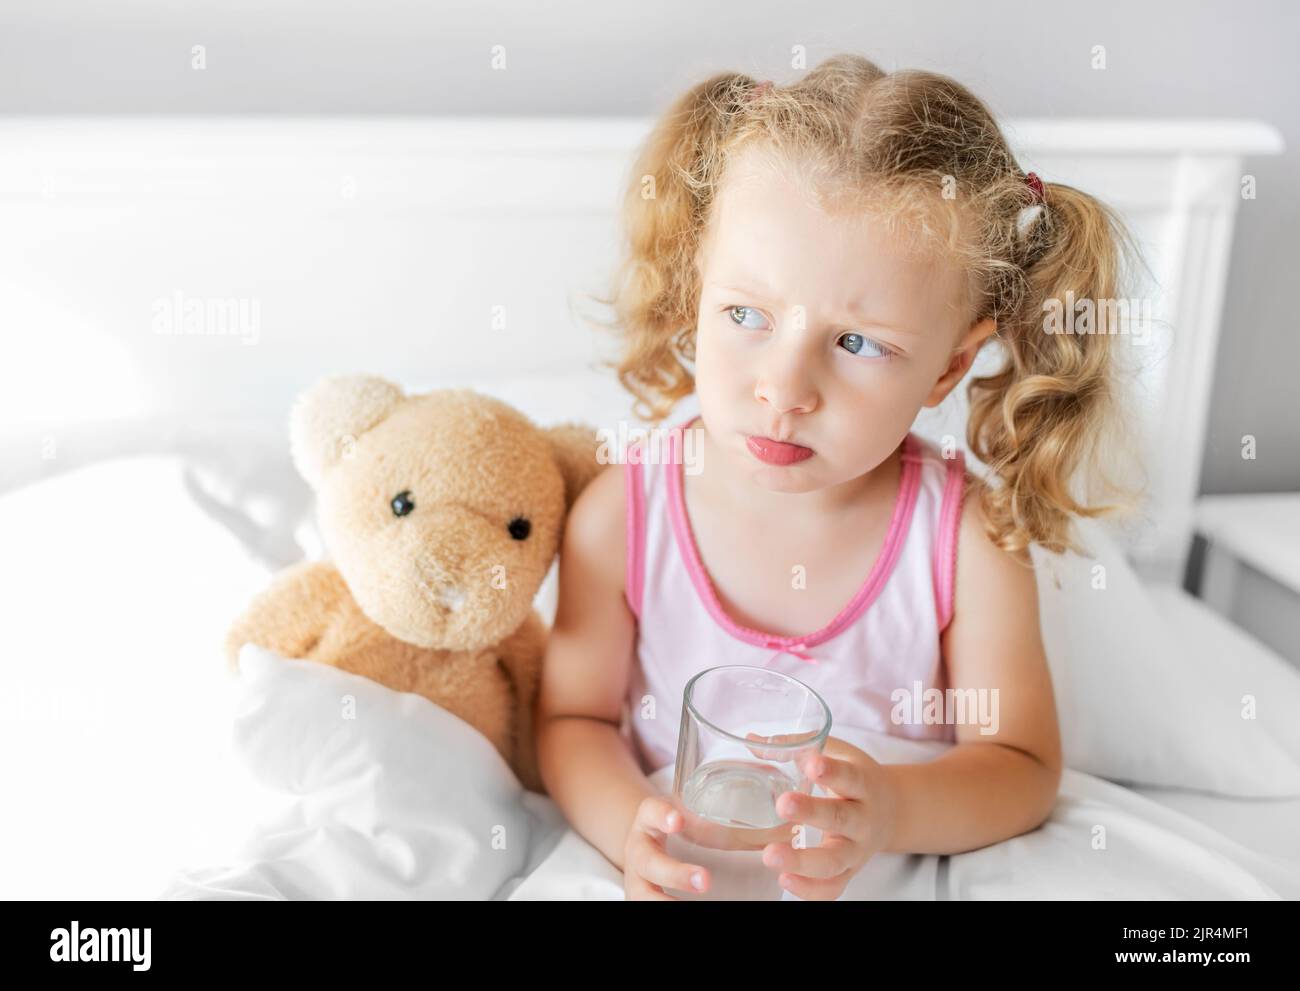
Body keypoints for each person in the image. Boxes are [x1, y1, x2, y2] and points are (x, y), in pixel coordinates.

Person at [537, 53, 1141, 900]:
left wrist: (891, 808)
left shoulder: (965, 541)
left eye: (859, 343)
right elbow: (574, 720)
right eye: (745, 314)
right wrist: (626, 825)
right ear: (693, 291)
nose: (783, 389)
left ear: (947, 368)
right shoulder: (622, 514)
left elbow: (1022, 765)